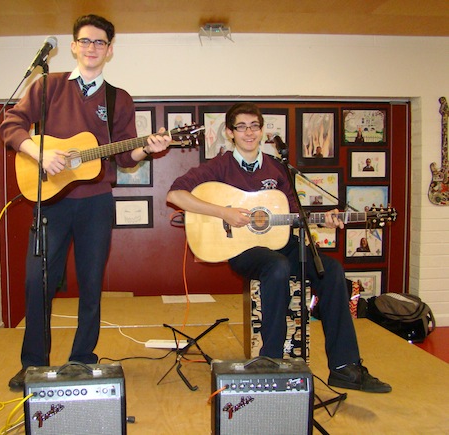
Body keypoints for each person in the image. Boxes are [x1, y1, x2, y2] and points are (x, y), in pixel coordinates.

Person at [167, 102, 391, 393]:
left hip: (281, 242)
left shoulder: (278, 166)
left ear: (262, 130)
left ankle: (344, 367)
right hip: (243, 250)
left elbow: (294, 214)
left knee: (332, 269)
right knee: (277, 266)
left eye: (255, 126)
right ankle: (270, 361)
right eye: (242, 127)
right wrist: (224, 213)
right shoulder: (219, 166)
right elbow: (176, 194)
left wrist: (326, 219)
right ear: (230, 133)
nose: (249, 132)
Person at [0, 14, 171, 391]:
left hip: (95, 203)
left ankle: (81, 360)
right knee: (36, 281)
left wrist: (147, 149)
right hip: (50, 201)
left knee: (91, 284)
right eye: (85, 41)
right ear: (74, 45)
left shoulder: (118, 99)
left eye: (100, 43)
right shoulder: (47, 85)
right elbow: (10, 126)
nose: (92, 48)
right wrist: (39, 153)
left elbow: (125, 157)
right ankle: (33, 365)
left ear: (110, 50)